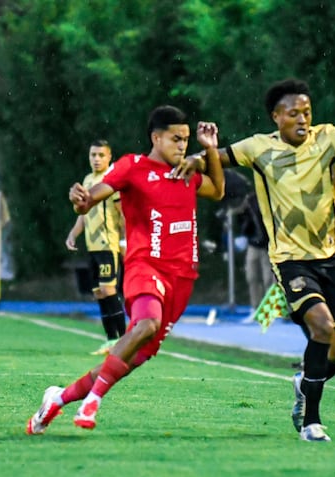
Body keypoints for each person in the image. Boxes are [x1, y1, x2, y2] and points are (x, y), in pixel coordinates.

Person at [175, 78, 335, 442]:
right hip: (290, 261)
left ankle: (303, 384)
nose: (303, 119)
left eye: (307, 112)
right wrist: (196, 158)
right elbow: (212, 160)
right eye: (294, 113)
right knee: (321, 328)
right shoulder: (257, 148)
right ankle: (312, 422)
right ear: (276, 117)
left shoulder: (329, 137)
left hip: (332, 257)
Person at [26, 106, 224, 434]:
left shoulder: (187, 172)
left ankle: (58, 399)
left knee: (133, 356)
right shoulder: (133, 167)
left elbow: (217, 191)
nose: (183, 146)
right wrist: (80, 200)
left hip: (182, 278)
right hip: (144, 266)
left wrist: (212, 149)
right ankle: (93, 403)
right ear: (156, 138)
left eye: (187, 140)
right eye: (176, 139)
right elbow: (92, 198)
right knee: (147, 323)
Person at [65, 140, 127, 355]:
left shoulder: (112, 181)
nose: (97, 159)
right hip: (92, 247)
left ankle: (124, 341)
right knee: (99, 293)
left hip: (108, 244)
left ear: (110, 157)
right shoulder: (88, 180)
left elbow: (123, 214)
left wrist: (124, 241)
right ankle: (111, 340)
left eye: (101, 155)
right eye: (93, 155)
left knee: (109, 290)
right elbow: (84, 214)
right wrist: (73, 234)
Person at [238, 191, 273, 323]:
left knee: (268, 278)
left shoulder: (272, 198)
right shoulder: (250, 199)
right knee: (252, 276)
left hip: (267, 245)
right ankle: (255, 307)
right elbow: (243, 218)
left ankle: (269, 310)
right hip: (254, 243)